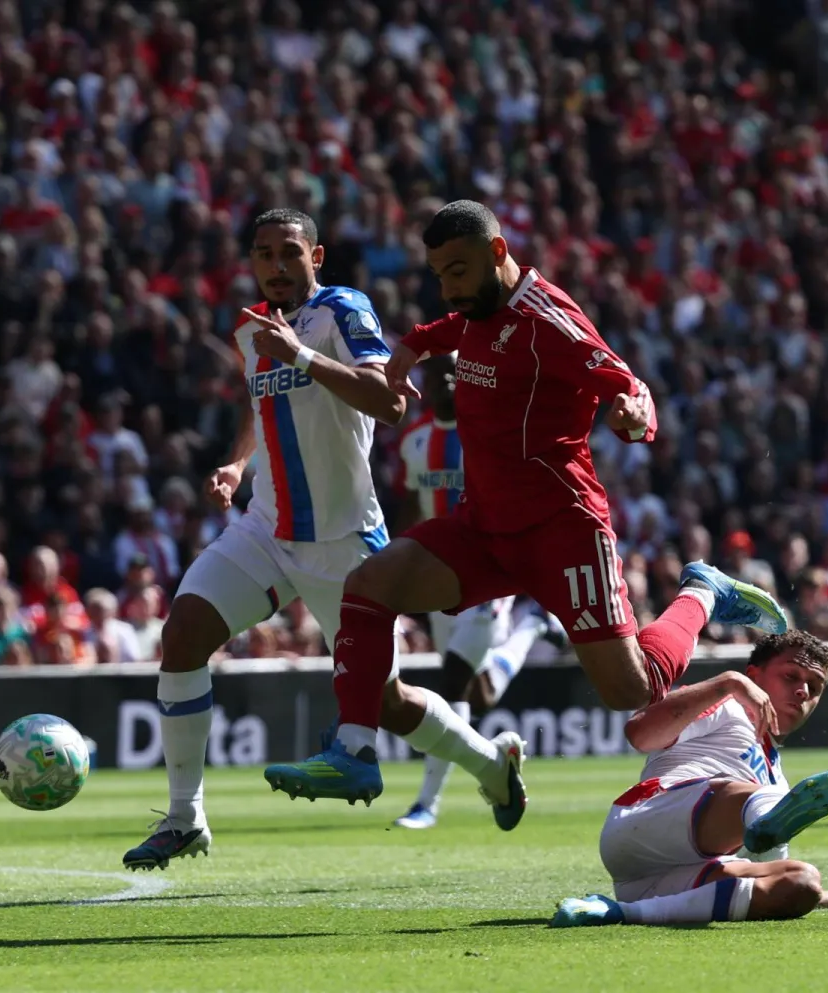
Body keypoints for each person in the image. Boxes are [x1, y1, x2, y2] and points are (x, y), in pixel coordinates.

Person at [263, 200, 789, 806]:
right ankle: (355, 751)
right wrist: (413, 346)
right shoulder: (481, 308)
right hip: (485, 528)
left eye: (457, 271)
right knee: (368, 585)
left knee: (630, 691)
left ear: (497, 252)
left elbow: (625, 384)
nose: (447, 287)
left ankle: (703, 592)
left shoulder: (551, 321)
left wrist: (632, 414)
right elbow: (463, 327)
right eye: (438, 274)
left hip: (562, 530)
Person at [123, 208, 523, 871]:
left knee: (388, 705)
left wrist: (303, 356)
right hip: (267, 528)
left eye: (288, 252)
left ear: (316, 257)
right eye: (263, 253)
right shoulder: (251, 331)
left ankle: (491, 763)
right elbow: (263, 407)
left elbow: (391, 401)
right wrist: (235, 463)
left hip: (345, 542)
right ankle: (184, 815)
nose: (276, 265)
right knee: (184, 632)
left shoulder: (343, 310)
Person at [551, 631, 828, 927]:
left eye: (814, 687)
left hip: (666, 877)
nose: (802, 690)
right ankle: (758, 821)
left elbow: (770, 873)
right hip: (645, 821)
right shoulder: (726, 705)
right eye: (791, 675)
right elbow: (639, 733)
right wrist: (729, 682)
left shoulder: (777, 780)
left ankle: (621, 912)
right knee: (749, 796)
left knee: (800, 882)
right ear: (755, 675)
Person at [392, 353, 568, 829]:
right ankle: (532, 628)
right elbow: (411, 507)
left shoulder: (486, 436)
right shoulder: (414, 440)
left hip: (487, 576)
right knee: (476, 692)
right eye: (436, 376)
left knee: (451, 683)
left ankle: (427, 802)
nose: (446, 381)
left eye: (454, 372)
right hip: (434, 581)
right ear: (424, 385)